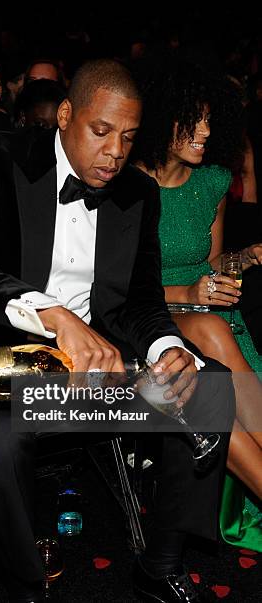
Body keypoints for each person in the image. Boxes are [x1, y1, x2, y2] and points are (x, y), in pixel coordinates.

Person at [0, 58, 235, 602]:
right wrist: (48, 313)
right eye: (101, 131)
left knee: (207, 388)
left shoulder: (137, 193)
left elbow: (138, 299)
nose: (114, 152)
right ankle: (24, 585)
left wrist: (167, 345)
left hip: (90, 375)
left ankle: (159, 565)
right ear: (65, 115)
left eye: (128, 139)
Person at [132, 54, 262, 552]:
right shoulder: (126, 186)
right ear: (165, 117)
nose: (206, 131)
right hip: (150, 312)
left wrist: (237, 265)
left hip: (209, 314)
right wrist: (186, 295)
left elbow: (212, 263)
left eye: (212, 119)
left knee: (217, 329)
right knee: (212, 332)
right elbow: (115, 289)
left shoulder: (210, 184)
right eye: (196, 119)